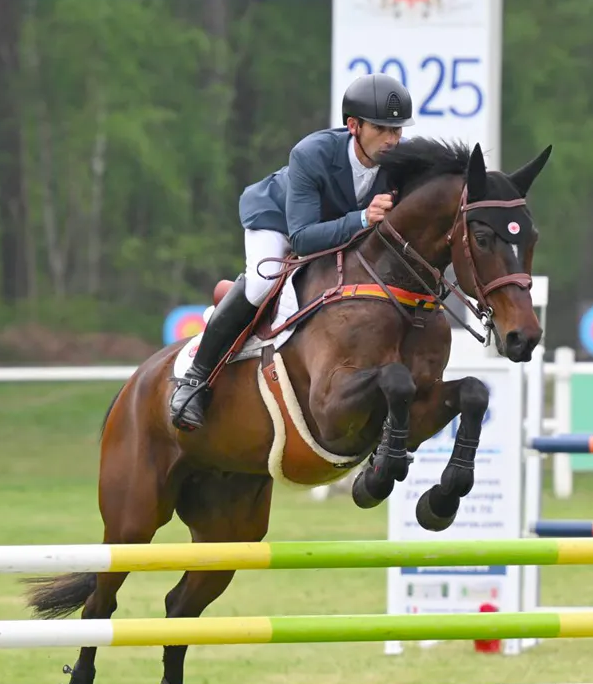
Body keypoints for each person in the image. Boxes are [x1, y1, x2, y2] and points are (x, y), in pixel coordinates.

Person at [167, 73, 415, 432]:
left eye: (397, 130)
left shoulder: (400, 162)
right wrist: (363, 218)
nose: (392, 140)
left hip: (337, 230)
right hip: (279, 222)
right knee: (263, 285)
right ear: (353, 126)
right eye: (381, 129)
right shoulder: (311, 153)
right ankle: (195, 378)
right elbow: (302, 240)